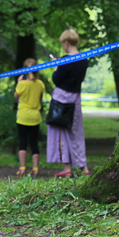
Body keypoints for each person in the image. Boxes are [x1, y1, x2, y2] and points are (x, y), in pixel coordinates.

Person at [46, 29, 90, 178]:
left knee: (60, 133)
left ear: (66, 42)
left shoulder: (65, 60)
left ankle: (67, 168)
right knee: (76, 132)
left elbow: (57, 80)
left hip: (61, 99)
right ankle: (83, 167)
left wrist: (56, 67)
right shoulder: (84, 60)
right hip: (75, 98)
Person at [14, 58, 45, 176]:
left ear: (24, 71)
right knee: (34, 143)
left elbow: (16, 97)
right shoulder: (40, 84)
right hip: (35, 117)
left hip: (22, 117)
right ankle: (35, 169)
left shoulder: (22, 84)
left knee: (22, 142)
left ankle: (22, 168)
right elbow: (40, 100)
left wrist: (18, 83)